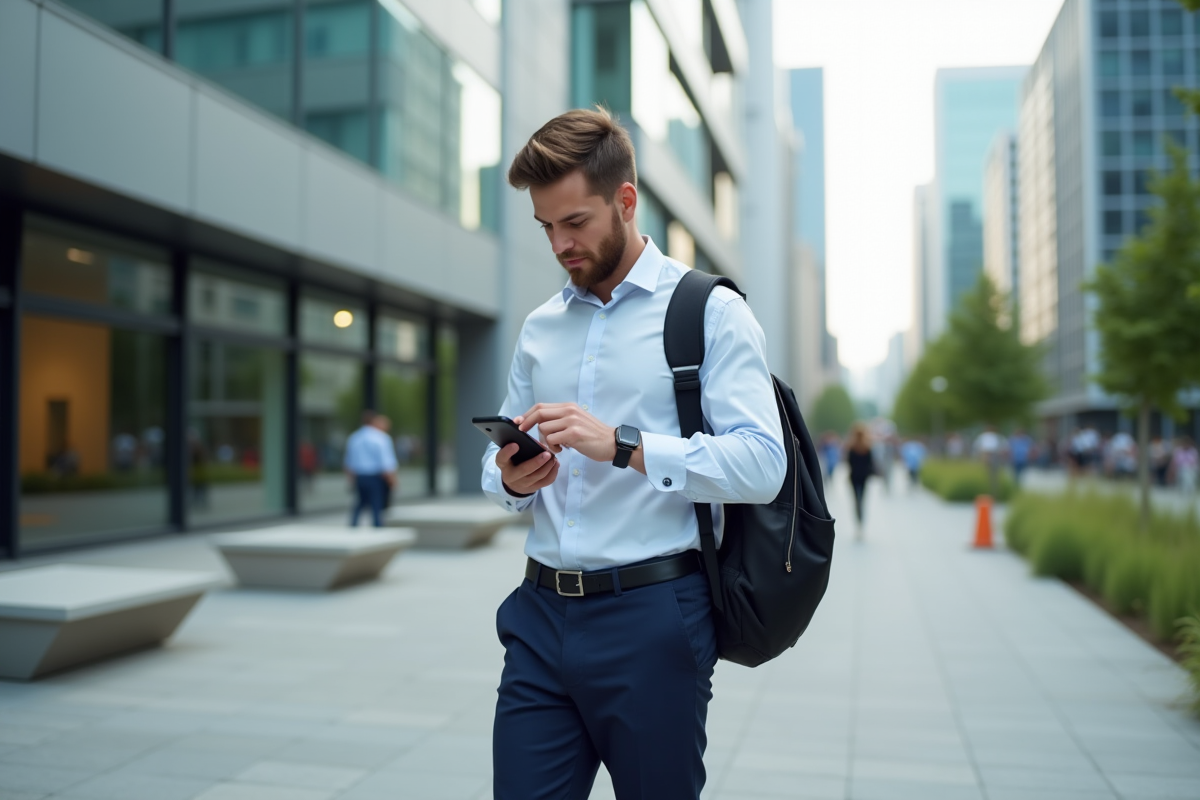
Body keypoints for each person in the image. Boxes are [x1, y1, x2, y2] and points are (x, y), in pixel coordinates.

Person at [479, 108, 785, 800]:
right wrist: (512, 476)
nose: (560, 244)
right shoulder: (540, 328)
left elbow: (764, 464)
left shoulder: (710, 311)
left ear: (625, 200)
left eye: (575, 222)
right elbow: (494, 478)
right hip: (538, 615)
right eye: (546, 227)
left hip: (653, 618)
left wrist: (623, 446)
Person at [344, 410, 397, 527]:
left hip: (360, 476)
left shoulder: (354, 438)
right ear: (374, 421)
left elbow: (349, 462)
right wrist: (392, 480)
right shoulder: (381, 438)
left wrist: (351, 479)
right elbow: (386, 463)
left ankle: (353, 527)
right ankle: (377, 529)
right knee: (376, 505)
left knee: (360, 503)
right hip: (376, 476)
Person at [845, 423, 875, 539]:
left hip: (854, 477)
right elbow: (870, 463)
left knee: (856, 500)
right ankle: (861, 521)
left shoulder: (851, 448)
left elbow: (848, 463)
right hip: (864, 477)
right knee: (862, 499)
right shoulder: (867, 448)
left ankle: (858, 521)